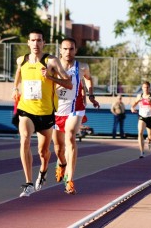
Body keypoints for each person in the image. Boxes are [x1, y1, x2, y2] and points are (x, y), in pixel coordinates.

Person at [11, 29, 72, 197]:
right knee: (24, 139)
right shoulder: (21, 60)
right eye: (33, 40)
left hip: (46, 113)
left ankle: (43, 172)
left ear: (44, 43)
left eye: (39, 40)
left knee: (43, 153)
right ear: (28, 43)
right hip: (26, 110)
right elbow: (18, 73)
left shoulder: (51, 61)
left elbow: (68, 83)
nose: (36, 44)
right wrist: (15, 87)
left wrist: (51, 78)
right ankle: (28, 183)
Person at [52, 37, 100, 195]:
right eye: (65, 49)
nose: (68, 52)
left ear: (75, 50)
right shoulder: (52, 66)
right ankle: (61, 163)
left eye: (71, 49)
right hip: (56, 110)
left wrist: (91, 95)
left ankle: (70, 180)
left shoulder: (82, 67)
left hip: (76, 108)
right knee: (59, 148)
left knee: (70, 137)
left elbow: (88, 80)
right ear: (60, 50)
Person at [131, 81, 151, 158]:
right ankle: (142, 152)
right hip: (142, 117)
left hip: (150, 117)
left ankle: (149, 141)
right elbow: (133, 104)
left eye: (147, 87)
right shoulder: (139, 96)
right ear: (142, 88)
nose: (146, 89)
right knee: (140, 133)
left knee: (150, 137)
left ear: (149, 88)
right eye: (144, 87)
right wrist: (132, 108)